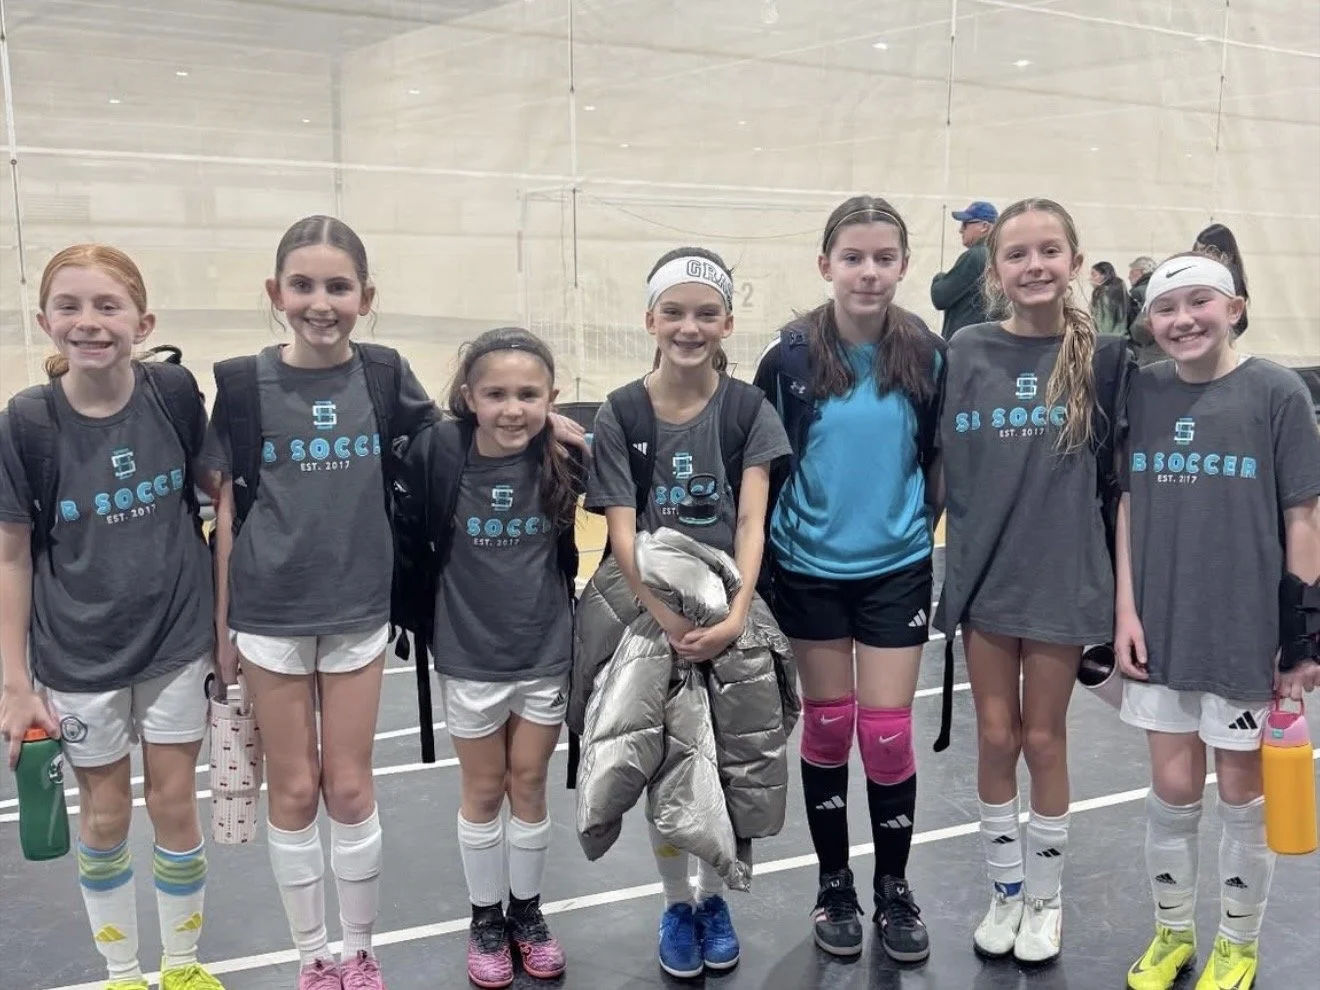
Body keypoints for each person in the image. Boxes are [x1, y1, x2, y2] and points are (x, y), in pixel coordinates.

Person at [204, 216, 435, 990]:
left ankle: (361, 950)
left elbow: (447, 442)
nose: (321, 302)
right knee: (295, 789)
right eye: (302, 285)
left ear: (365, 296)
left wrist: (545, 428)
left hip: (357, 610)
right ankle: (312, 957)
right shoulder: (243, 385)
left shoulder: (385, 373)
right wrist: (223, 628)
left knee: (350, 786)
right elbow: (226, 514)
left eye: (339, 287)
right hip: (270, 613)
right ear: (276, 293)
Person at [0, 245, 226, 990]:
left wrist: (227, 629)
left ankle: (182, 966)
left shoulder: (172, 392)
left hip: (177, 642)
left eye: (108, 306)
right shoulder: (26, 423)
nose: (89, 322)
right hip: (79, 654)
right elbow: (11, 558)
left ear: (143, 322)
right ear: (45, 321)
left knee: (174, 803)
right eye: (69, 306)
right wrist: (15, 684)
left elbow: (219, 495)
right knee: (104, 815)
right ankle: (123, 971)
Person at [583, 246, 791, 980]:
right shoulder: (622, 411)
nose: (689, 326)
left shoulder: (747, 410)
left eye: (706, 313)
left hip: (728, 609)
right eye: (673, 312)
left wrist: (736, 615)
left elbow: (752, 522)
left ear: (727, 322)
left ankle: (715, 899)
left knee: (731, 762)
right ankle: (677, 903)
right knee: (666, 762)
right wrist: (663, 617)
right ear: (651, 320)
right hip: (651, 616)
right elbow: (620, 531)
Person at [1117, 252, 1320, 990]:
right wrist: (1126, 609)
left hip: (1244, 632)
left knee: (1241, 796)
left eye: (1200, 302)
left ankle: (1238, 943)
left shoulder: (1277, 391)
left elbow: (1304, 517)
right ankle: (1173, 932)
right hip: (1162, 628)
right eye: (1167, 308)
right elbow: (1128, 504)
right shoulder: (1142, 391)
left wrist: (1301, 636)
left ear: (1234, 308)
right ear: (1149, 322)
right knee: (1171, 792)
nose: (1183, 320)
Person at [936, 198, 1131, 965]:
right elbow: (937, 463)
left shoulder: (1106, 360)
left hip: (1061, 578)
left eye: (1050, 250)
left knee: (1044, 738)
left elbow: (1126, 487)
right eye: (1017, 253)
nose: (1035, 265)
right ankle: (1006, 892)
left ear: (1074, 262)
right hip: (986, 578)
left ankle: (1045, 900)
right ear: (995, 271)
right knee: (994, 735)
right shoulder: (966, 351)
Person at [754, 196, 946, 962]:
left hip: (895, 569)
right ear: (825, 264)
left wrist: (910, 528)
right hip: (808, 570)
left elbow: (936, 460)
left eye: (884, 258)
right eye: (854, 257)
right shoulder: (789, 359)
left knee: (888, 734)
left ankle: (893, 887)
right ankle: (833, 883)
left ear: (904, 265)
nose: (869, 272)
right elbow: (761, 462)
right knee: (829, 727)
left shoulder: (927, 353)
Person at [403, 327, 581, 989]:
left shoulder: (564, 458)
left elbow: (627, 482)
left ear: (552, 398)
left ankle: (526, 913)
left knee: (528, 784)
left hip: (543, 653)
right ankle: (485, 917)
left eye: (529, 395)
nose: (512, 408)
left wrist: (575, 435)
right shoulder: (439, 453)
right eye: (496, 394)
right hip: (469, 654)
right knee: (482, 790)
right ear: (468, 397)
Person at [930, 200, 997, 340]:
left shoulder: (976, 255)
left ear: (984, 227)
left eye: (965, 224)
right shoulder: (999, 256)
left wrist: (939, 277)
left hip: (965, 344)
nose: (961, 230)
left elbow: (940, 297)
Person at [1192, 224, 1249, 336]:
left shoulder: (1229, 279)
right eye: (1197, 250)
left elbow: (1241, 322)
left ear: (1220, 253)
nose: (1199, 256)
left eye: (1203, 251)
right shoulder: (1205, 273)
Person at [1089, 262, 1130, 338]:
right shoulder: (1120, 289)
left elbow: (1104, 323)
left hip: (1106, 338)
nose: (1090, 278)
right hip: (1122, 337)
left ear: (1104, 276)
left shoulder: (1102, 294)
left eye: (1094, 275)